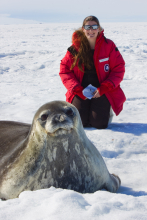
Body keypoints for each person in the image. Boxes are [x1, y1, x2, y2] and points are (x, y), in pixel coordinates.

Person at [59, 15, 126, 129]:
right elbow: (65, 70)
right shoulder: (75, 48)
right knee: (80, 124)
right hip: (81, 89)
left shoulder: (108, 45)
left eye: (94, 27)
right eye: (88, 27)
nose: (91, 30)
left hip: (102, 89)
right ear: (83, 29)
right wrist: (76, 89)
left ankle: (104, 111)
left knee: (99, 124)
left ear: (99, 29)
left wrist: (105, 87)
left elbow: (119, 68)